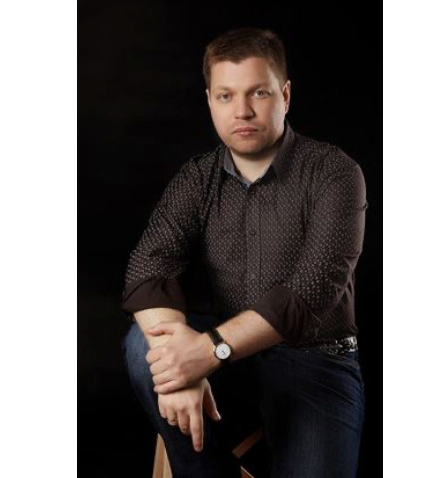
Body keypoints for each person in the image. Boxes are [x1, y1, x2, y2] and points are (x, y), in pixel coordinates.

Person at [121, 27, 368, 477]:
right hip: (230, 373)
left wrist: (207, 350)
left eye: (259, 93)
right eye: (225, 96)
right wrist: (181, 369)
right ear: (209, 101)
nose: (243, 111)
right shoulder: (196, 179)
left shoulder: (335, 172)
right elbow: (148, 268)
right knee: (145, 345)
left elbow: (310, 291)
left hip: (317, 365)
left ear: (285, 95)